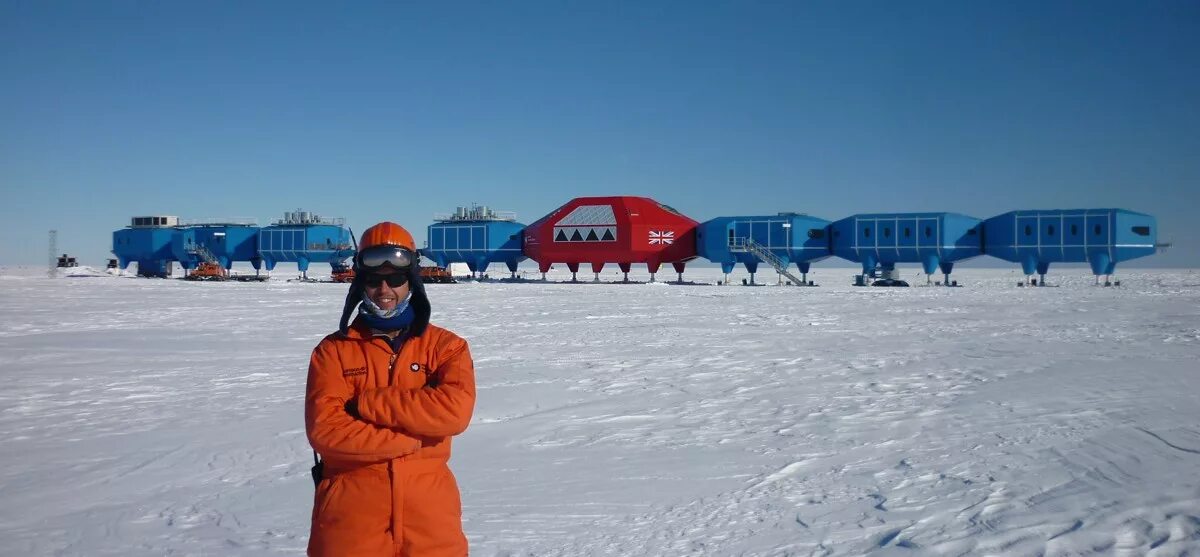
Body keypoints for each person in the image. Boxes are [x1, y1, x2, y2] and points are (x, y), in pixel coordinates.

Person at [305, 222, 476, 556]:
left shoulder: (447, 347)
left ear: (411, 280)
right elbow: (326, 430)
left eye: (395, 279)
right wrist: (416, 439)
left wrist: (367, 403)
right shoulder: (332, 351)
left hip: (431, 525)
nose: (385, 289)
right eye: (373, 280)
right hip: (350, 526)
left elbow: (453, 413)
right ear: (360, 283)